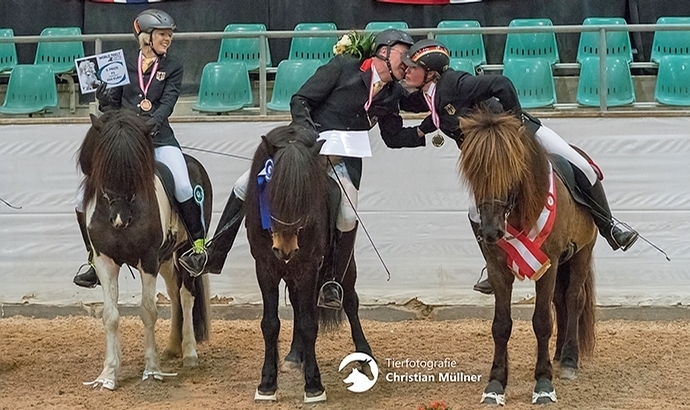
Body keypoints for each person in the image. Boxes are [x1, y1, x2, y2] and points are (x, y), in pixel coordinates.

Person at [188, 29, 423, 309]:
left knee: (347, 216)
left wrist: (424, 131)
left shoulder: (392, 93)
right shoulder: (343, 68)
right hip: (305, 147)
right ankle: (214, 253)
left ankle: (332, 282)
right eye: (403, 53)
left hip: (342, 161)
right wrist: (310, 137)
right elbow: (300, 100)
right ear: (383, 51)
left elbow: (393, 137)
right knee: (243, 184)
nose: (407, 61)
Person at [400, 39, 639, 295]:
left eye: (410, 67)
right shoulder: (430, 94)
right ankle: (493, 267)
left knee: (583, 166)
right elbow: (428, 111)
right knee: (474, 211)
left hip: (524, 133)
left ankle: (610, 228)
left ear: (431, 72)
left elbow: (502, 85)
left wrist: (514, 126)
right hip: (495, 159)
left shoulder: (457, 83)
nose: (405, 72)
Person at [73, 9, 208, 288]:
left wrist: (145, 127)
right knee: (79, 199)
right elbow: (112, 106)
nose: (167, 39)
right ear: (145, 37)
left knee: (183, 186)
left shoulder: (173, 68)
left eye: (169, 35)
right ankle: (91, 257)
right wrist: (104, 98)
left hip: (158, 140)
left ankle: (198, 246)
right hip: (126, 146)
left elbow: (166, 105)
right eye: (162, 34)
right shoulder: (122, 64)